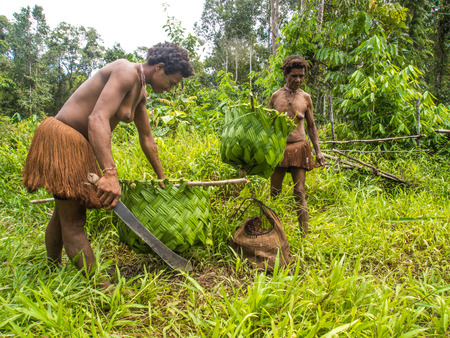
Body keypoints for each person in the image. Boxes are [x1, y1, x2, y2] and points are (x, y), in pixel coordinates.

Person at [22, 42, 194, 288]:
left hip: (80, 145)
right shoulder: (125, 71)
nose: (170, 89)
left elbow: (146, 139)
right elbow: (97, 118)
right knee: (73, 220)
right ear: (160, 67)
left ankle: (51, 269)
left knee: (63, 211)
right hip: (64, 139)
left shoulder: (141, 92)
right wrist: (109, 173)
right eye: (172, 82)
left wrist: (162, 178)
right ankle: (101, 287)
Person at [269, 55, 325, 237]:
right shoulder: (275, 97)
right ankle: (274, 232)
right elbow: (267, 126)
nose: (298, 80)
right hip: (279, 149)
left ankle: (304, 235)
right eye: (294, 76)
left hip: (300, 148)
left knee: (299, 191)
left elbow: (311, 126)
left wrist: (318, 152)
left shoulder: (306, 98)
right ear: (286, 74)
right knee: (275, 192)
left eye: (301, 76)